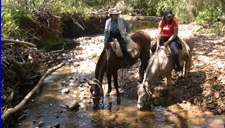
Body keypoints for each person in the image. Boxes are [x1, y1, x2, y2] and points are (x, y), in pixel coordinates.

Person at [151, 9, 182, 74]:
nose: (169, 18)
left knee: (175, 53)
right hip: (163, 37)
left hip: (172, 38)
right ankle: (157, 64)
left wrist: (167, 42)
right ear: (164, 16)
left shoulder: (174, 21)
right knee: (153, 49)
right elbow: (159, 33)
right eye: (168, 16)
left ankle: (177, 67)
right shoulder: (161, 22)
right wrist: (158, 44)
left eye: (170, 16)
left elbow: (175, 33)